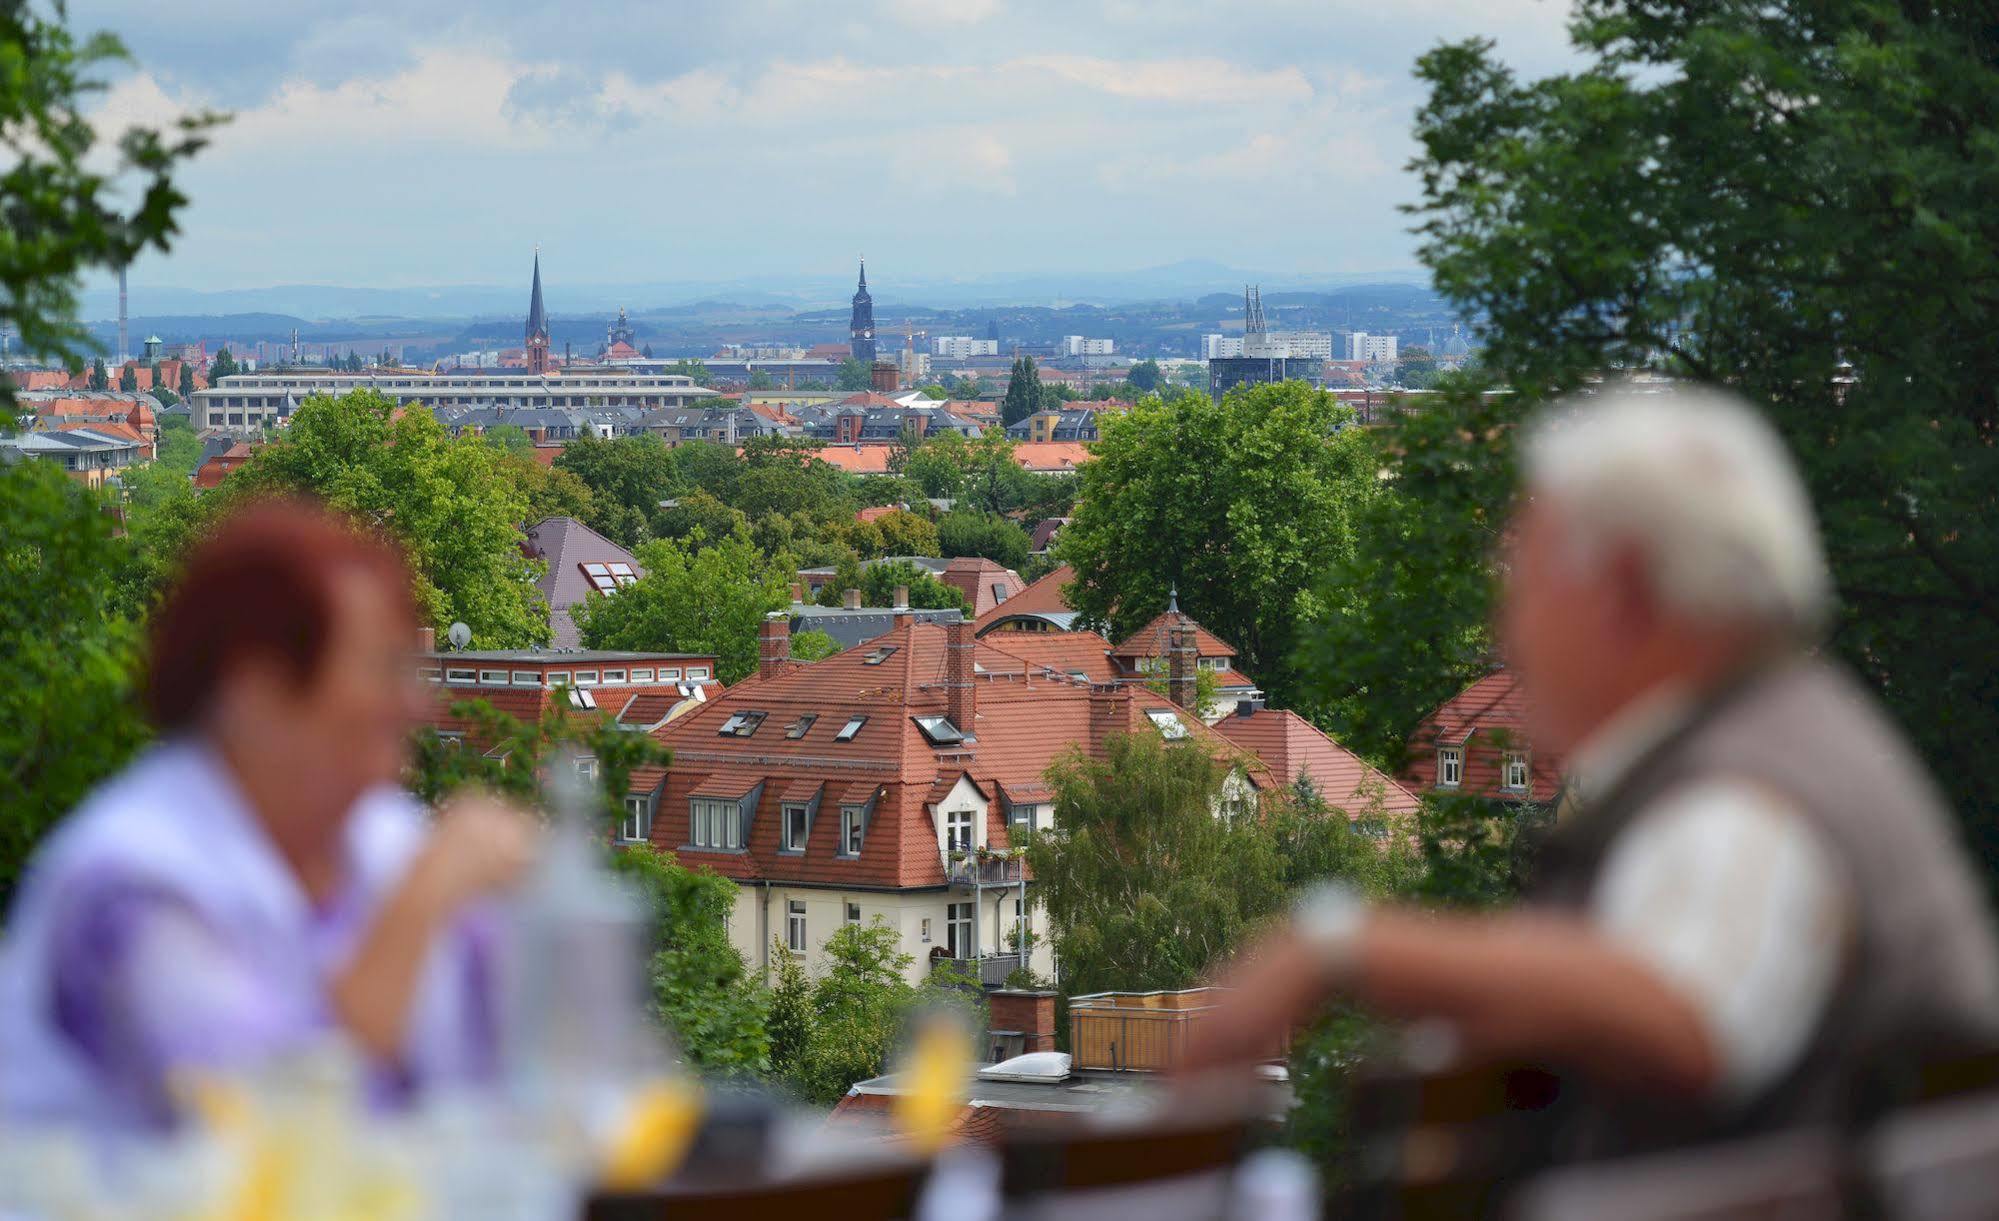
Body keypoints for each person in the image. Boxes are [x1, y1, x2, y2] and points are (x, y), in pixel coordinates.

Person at [1187, 385, 1999, 1158]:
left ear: (1622, 591)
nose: (1506, 631)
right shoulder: (1802, 729)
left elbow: (1687, 1018)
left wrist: (1343, 947)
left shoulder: (1743, 790)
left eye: (1527, 585)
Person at [0, 501, 537, 1134]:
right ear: (257, 693)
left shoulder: (380, 836)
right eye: (381, 669)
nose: (416, 704)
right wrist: (424, 900)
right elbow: (273, 1132)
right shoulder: (129, 888)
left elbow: (525, 1073)